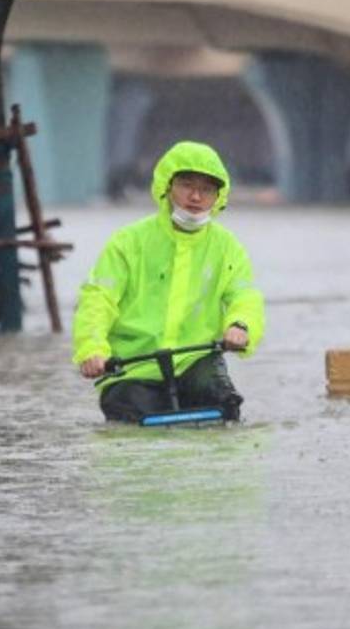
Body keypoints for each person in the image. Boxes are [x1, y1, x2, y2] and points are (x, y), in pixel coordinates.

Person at [72, 141, 265, 423]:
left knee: (226, 407)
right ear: (167, 185)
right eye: (186, 184)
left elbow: (244, 296)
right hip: (133, 366)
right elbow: (98, 298)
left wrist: (240, 326)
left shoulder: (227, 247)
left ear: (218, 197)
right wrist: (92, 349)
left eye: (207, 189)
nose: (196, 197)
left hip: (196, 361)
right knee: (131, 420)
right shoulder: (128, 242)